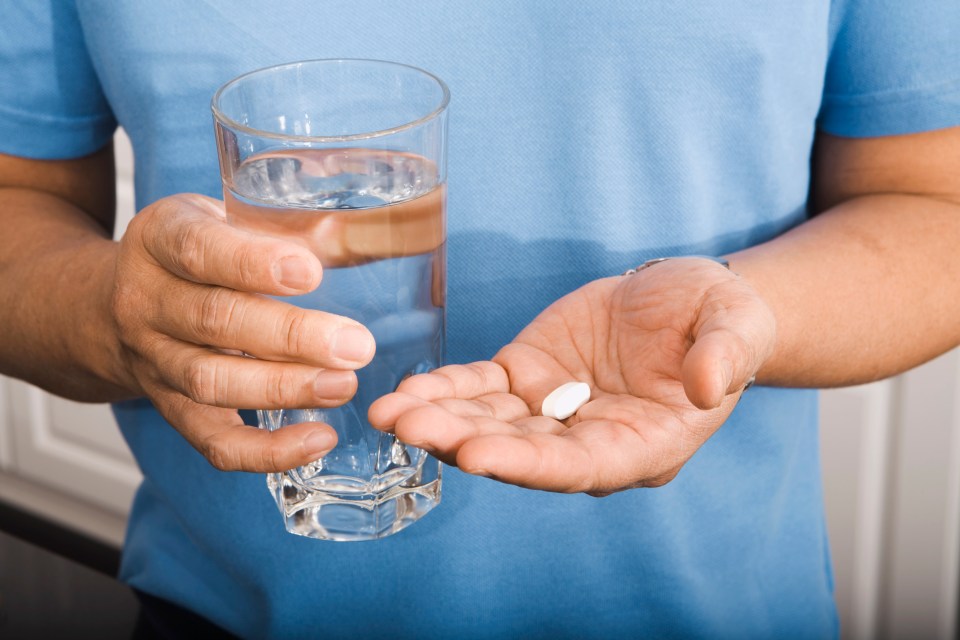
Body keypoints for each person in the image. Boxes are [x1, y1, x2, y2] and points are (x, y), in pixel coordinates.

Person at [1, 1, 958, 638]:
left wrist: (752, 315)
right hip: (232, 610)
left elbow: (936, 205)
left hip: (716, 611)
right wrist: (108, 313)